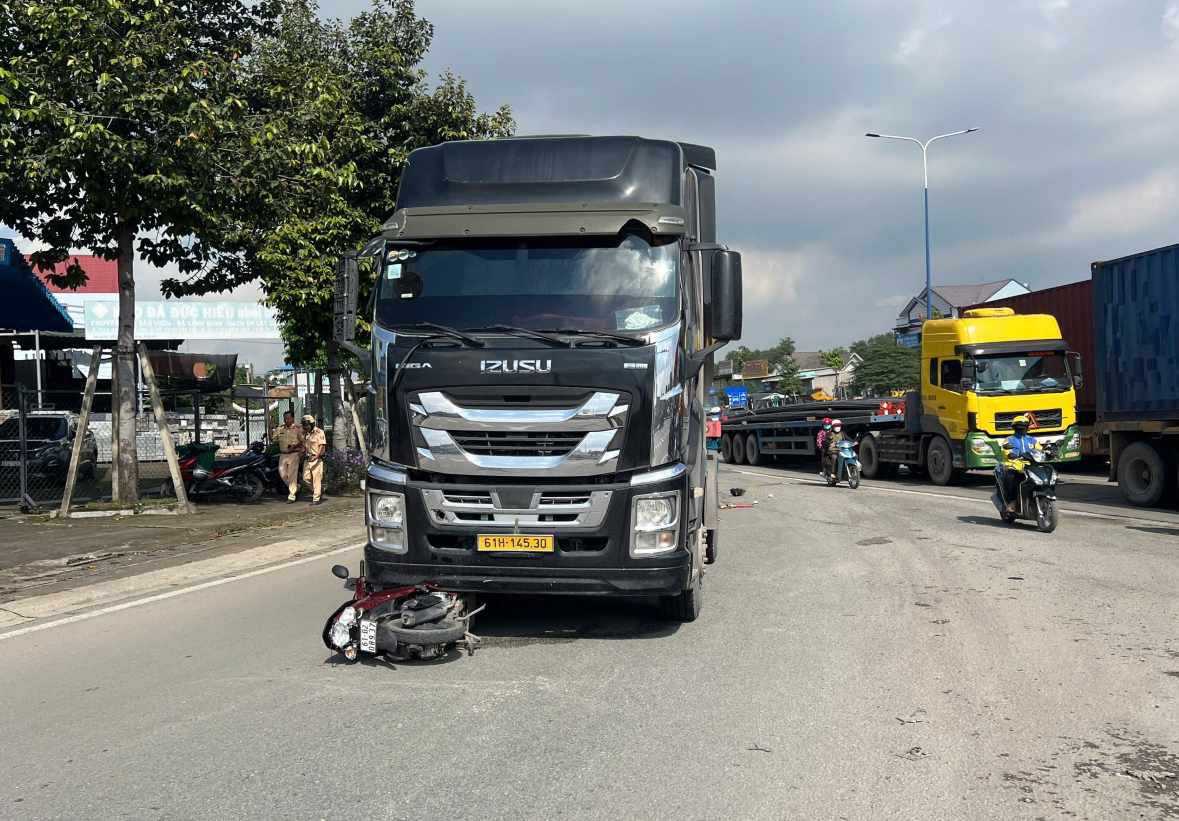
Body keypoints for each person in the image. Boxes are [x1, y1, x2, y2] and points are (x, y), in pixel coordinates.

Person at [997, 415, 1040, 511]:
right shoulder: (1009, 440)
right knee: (1011, 477)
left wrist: (1048, 452)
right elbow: (1005, 450)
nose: (1022, 429)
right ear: (1014, 428)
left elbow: (1039, 450)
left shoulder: (1032, 440)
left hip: (1030, 465)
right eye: (1019, 427)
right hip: (1014, 465)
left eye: (1024, 426)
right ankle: (1012, 502)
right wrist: (1011, 454)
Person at [271, 410, 304, 503]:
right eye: (285, 418)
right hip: (283, 454)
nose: (286, 420)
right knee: (282, 474)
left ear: (292, 418)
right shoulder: (280, 428)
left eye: (288, 418)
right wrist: (270, 428)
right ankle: (296, 487)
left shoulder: (298, 428)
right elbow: (273, 439)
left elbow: (302, 441)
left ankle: (292, 495)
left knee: (292, 474)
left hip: (294, 454)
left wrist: (295, 447)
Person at [301, 414, 327, 505]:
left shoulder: (319, 432)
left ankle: (316, 498)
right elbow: (304, 445)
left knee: (316, 479)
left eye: (307, 425)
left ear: (311, 424)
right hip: (308, 458)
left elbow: (322, 446)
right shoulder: (305, 434)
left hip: (317, 458)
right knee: (305, 478)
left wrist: (316, 456)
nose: (305, 427)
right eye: (304, 425)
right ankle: (318, 490)